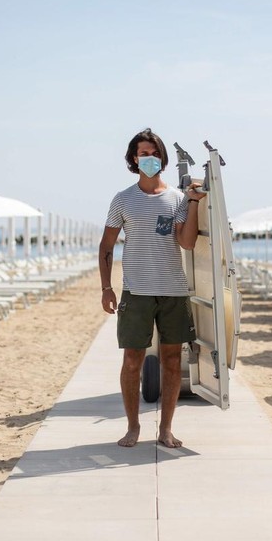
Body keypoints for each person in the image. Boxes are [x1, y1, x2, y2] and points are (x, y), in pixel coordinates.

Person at [98, 128, 206, 448]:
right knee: (133, 361)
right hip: (136, 292)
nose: (149, 158)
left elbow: (186, 243)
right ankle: (133, 427)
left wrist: (195, 203)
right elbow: (106, 247)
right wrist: (106, 288)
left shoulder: (176, 198)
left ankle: (166, 429)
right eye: (143, 154)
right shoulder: (123, 200)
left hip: (173, 290)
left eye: (154, 153)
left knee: (172, 361)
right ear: (134, 159)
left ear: (163, 158)